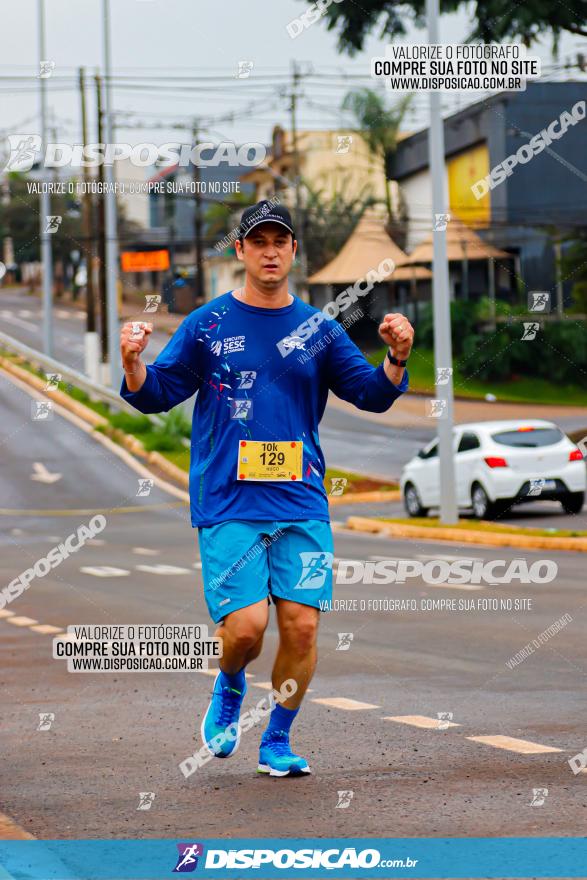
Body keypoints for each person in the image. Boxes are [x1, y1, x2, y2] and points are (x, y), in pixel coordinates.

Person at [119, 200, 414, 777]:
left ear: (294, 251)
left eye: (281, 241)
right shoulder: (206, 325)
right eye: (259, 242)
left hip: (301, 500)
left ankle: (276, 740)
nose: (271, 251)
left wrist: (398, 357)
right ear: (241, 251)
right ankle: (229, 687)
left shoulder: (319, 330)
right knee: (248, 629)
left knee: (302, 626)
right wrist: (133, 363)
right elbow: (157, 393)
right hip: (230, 500)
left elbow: (371, 393)